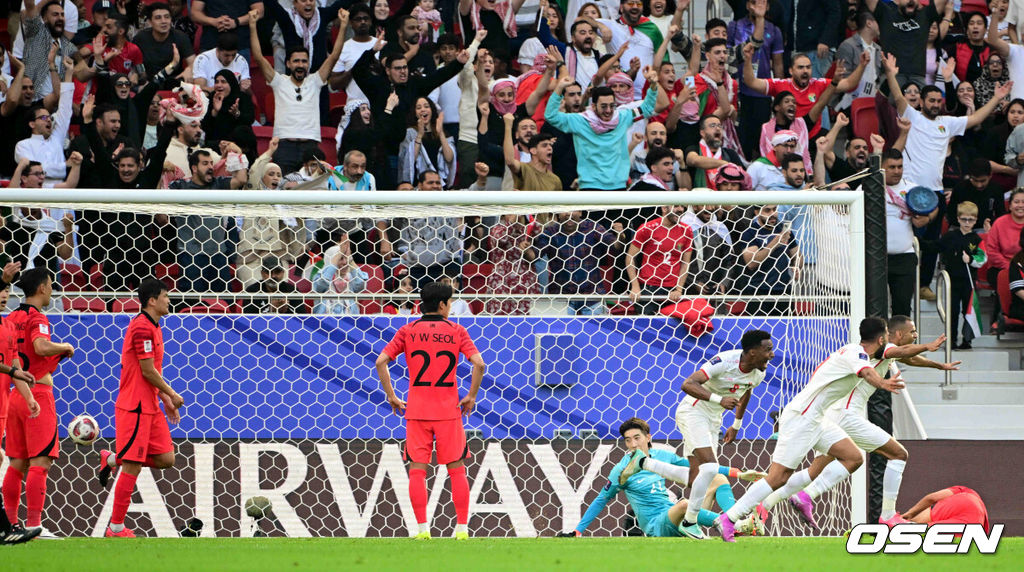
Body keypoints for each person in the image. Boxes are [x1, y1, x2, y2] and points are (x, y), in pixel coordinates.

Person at [713, 317, 905, 542]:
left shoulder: (855, 352)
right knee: (778, 477)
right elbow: (866, 373)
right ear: (882, 339)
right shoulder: (857, 354)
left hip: (817, 418)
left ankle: (805, 496)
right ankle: (730, 518)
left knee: (853, 457)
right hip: (802, 417)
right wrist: (883, 384)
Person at [759, 316, 958, 527]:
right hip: (847, 416)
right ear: (898, 334)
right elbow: (900, 352)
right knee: (898, 454)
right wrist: (928, 346)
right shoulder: (886, 347)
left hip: (833, 414)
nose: (915, 336)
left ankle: (765, 503)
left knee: (813, 471)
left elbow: (909, 358)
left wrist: (938, 366)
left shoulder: (881, 352)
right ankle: (888, 515)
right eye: (912, 332)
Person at [635, 330, 774, 539]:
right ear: (752, 352)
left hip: (713, 420)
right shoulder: (724, 361)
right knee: (710, 468)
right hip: (693, 411)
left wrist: (736, 424)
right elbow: (688, 384)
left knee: (695, 477)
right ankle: (690, 522)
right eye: (768, 350)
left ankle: (644, 463)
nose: (772, 354)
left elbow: (746, 391)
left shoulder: (758, 373)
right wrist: (719, 400)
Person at [375, 282, 486, 540]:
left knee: (417, 470)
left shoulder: (408, 330)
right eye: (449, 303)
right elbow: (479, 364)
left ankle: (423, 530)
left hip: (417, 410)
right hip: (449, 410)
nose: (450, 307)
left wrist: (391, 396)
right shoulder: (457, 331)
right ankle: (461, 529)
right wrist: (470, 396)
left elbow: (381, 361)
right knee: (456, 469)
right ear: (441, 305)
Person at [557, 417, 764, 538]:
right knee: (683, 504)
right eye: (628, 440)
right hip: (658, 525)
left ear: (648, 438)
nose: (633, 444)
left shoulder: (662, 456)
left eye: (637, 438)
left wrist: (739, 473)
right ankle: (738, 525)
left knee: (717, 479)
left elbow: (703, 467)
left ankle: (734, 520)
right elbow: (601, 499)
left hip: (681, 518)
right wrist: (578, 531)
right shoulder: (621, 469)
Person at [94, 279, 183, 538]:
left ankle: (111, 458)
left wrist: (164, 400)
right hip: (134, 406)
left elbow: (152, 371)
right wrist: (172, 393)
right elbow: (146, 370)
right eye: (166, 296)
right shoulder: (142, 328)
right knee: (132, 464)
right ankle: (116, 528)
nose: (169, 300)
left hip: (150, 405)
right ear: (152, 300)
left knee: (167, 459)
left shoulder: (154, 327)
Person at [2, 268, 75, 539]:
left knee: (16, 462)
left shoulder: (11, 318)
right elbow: (42, 346)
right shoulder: (38, 317)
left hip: (14, 394)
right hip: (38, 395)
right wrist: (64, 346)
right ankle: (34, 524)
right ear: (43, 288)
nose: (52, 289)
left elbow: (12, 358)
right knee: (40, 462)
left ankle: (10, 525)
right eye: (51, 283)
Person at [883, 51, 1013, 192]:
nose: (936, 105)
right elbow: (897, 97)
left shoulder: (947, 122)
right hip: (909, 186)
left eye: (939, 101)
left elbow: (977, 118)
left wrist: (996, 98)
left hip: (936, 189)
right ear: (921, 101)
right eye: (932, 101)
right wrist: (890, 74)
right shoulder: (912, 116)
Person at [249, 7, 349, 175]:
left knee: (311, 192)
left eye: (304, 61)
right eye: (296, 61)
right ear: (288, 64)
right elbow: (258, 57)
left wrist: (344, 26)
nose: (300, 65)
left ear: (308, 64)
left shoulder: (316, 81)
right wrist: (252, 26)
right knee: (284, 191)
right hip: (284, 146)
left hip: (310, 146)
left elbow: (334, 56)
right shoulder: (279, 81)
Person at [545, 72, 659, 190]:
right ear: (593, 106)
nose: (609, 110)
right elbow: (551, 116)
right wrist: (559, 88)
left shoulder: (622, 117)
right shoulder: (580, 120)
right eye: (604, 106)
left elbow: (647, 108)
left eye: (612, 106)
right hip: (591, 188)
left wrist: (653, 85)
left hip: (618, 187)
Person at [0, 265, 41, 545]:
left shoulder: (8, 325)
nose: (4, 294)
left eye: (5, 290)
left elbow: (15, 364)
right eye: (0, 289)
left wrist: (27, 396)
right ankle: (7, 528)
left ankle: (7, 528)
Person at [625, 205, 693, 315]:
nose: (680, 210)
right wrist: (635, 286)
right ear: (664, 208)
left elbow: (685, 263)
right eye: (676, 206)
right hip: (649, 288)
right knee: (647, 328)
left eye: (682, 207)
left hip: (673, 290)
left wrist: (679, 289)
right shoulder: (647, 228)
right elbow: (630, 257)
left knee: (670, 329)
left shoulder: (687, 230)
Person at [735, 204, 802, 316]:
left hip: (783, 290)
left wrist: (796, 265)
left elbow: (797, 256)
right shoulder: (749, 233)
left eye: (775, 209)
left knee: (785, 330)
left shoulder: (783, 230)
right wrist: (775, 242)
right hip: (758, 290)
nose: (773, 214)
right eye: (767, 210)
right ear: (757, 212)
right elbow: (752, 263)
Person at [941, 202, 988, 348]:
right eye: (964, 219)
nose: (967, 223)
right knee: (952, 311)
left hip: (968, 281)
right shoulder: (950, 236)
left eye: (971, 220)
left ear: (975, 220)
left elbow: (982, 258)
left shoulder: (977, 239)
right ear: (958, 219)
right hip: (952, 281)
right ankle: (952, 340)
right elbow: (937, 246)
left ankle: (967, 340)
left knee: (968, 311)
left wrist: (971, 259)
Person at [132, 2, 194, 81]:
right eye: (158, 18)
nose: (163, 21)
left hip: (174, 82)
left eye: (167, 17)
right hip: (148, 83)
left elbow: (192, 62)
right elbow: (135, 63)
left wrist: (189, 69)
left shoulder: (181, 37)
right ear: (150, 22)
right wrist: (140, 76)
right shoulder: (140, 38)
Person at [504, 115, 561, 191]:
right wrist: (508, 126)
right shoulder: (524, 168)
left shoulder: (556, 180)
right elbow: (510, 161)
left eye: (532, 128)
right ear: (533, 150)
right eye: (524, 128)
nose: (529, 130)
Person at [903, 485, 990, 529]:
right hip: (976, 526)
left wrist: (908, 515)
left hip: (971, 521)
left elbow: (932, 498)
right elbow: (932, 499)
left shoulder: (962, 494)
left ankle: (898, 522)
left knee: (915, 530)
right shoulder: (969, 494)